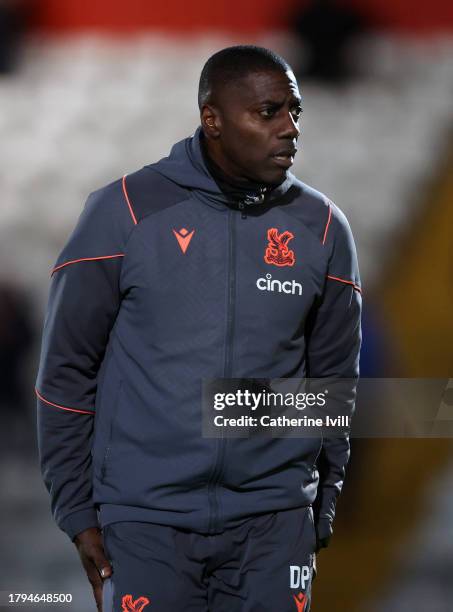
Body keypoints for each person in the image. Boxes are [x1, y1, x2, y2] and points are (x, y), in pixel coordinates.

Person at [36, 45, 362, 612]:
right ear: (212, 119)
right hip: (145, 522)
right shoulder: (124, 212)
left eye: (296, 111)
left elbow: (334, 382)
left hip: (274, 523)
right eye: (268, 113)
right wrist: (77, 510)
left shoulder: (325, 228)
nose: (290, 129)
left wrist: (322, 500)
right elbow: (64, 374)